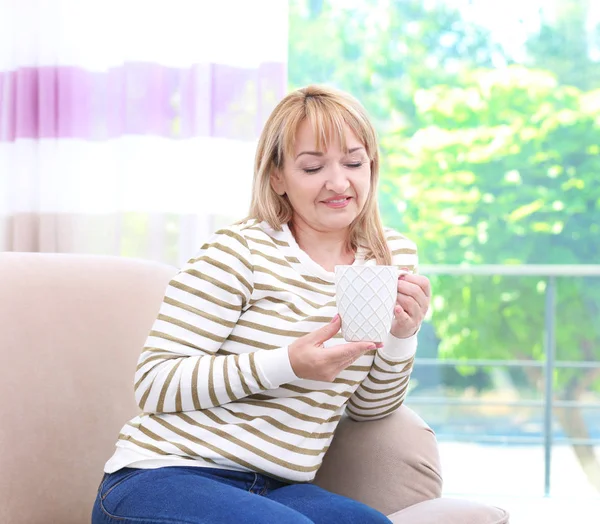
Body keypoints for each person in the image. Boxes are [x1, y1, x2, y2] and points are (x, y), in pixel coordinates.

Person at [91, 85, 431, 524]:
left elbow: (369, 409)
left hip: (275, 488)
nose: (338, 182)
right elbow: (154, 382)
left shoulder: (390, 258)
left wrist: (403, 336)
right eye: (312, 166)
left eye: (353, 162)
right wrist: (288, 363)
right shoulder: (239, 251)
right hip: (161, 476)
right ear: (277, 177)